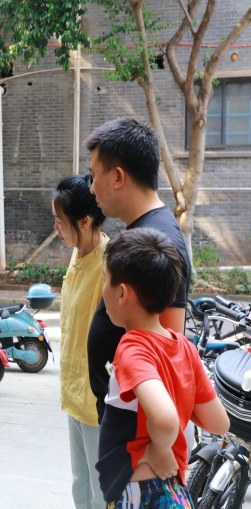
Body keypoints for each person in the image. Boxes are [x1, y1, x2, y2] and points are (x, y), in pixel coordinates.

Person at [95, 228, 228, 508]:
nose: (103, 289)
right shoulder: (184, 347)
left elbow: (166, 420)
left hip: (141, 493)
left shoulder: (133, 347)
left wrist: (157, 449)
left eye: (105, 279)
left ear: (122, 293)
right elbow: (219, 422)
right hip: (173, 493)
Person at [84, 117, 192, 423]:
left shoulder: (160, 242)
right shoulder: (144, 232)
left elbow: (167, 352)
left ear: (118, 177)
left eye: (94, 176)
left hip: (136, 433)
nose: (91, 188)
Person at [53, 175, 108, 509]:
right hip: (73, 391)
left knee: (101, 492)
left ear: (84, 221)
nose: (56, 228)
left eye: (61, 221)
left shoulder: (108, 263)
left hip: (96, 399)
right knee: (79, 484)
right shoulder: (78, 253)